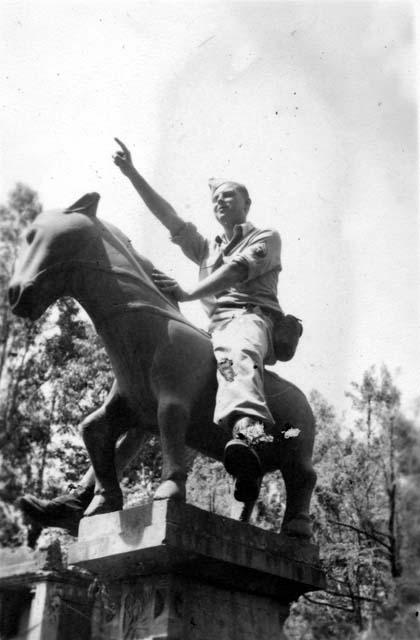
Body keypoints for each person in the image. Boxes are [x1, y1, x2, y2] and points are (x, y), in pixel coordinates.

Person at [112, 138, 283, 502]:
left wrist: (187, 293)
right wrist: (131, 173)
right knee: (158, 384)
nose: (220, 202)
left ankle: (249, 435)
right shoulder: (207, 249)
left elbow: (237, 271)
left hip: (250, 322)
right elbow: (169, 219)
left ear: (247, 203)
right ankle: (92, 487)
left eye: (229, 196)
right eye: (215, 199)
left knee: (235, 352)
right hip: (214, 330)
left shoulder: (264, 237)